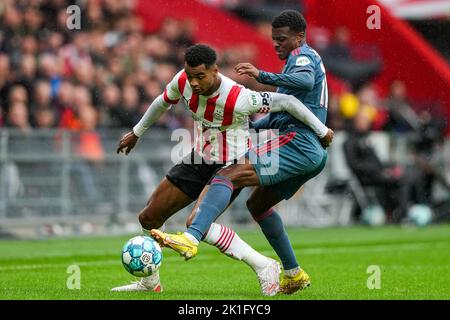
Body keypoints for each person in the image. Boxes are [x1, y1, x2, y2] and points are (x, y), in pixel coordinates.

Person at [112, 44, 333, 296]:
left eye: (200, 76)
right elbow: (161, 103)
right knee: (149, 217)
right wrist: (136, 132)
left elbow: (288, 101)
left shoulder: (239, 97)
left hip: (231, 163)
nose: (193, 82)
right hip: (201, 156)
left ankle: (264, 265)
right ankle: (150, 282)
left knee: (197, 223)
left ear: (215, 71)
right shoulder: (182, 80)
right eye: (190, 75)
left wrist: (321, 130)